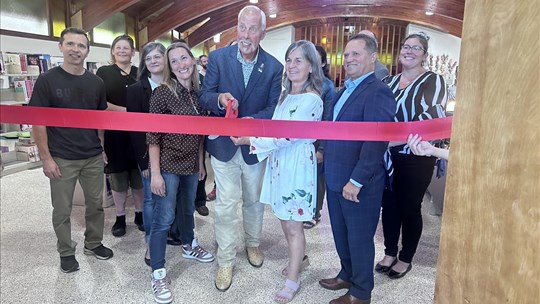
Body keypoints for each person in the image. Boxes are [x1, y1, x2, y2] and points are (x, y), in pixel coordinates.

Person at [198, 5, 283, 292]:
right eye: (242, 27)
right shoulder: (219, 58)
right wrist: (219, 99)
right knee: (225, 204)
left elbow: (273, 108)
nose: (246, 34)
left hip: (253, 148)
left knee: (254, 201)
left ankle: (253, 243)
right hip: (222, 147)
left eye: (253, 28)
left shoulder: (273, 67)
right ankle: (225, 260)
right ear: (236, 28)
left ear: (263, 32)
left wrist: (252, 121)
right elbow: (204, 96)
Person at [231, 40, 323, 303]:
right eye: (289, 60)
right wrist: (252, 126)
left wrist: (248, 139)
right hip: (280, 164)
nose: (292, 66)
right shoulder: (286, 95)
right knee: (285, 220)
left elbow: (287, 137)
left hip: (296, 166)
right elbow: (274, 129)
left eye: (299, 61)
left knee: (294, 226)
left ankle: (292, 280)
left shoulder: (311, 99)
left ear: (310, 66)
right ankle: (300, 261)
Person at [30, 27, 114, 273]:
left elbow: (99, 120)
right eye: (71, 44)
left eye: (81, 46)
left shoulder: (96, 82)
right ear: (61, 47)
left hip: (91, 156)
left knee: (95, 205)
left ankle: (93, 243)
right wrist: (46, 158)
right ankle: (66, 251)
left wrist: (102, 149)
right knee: (62, 210)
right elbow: (38, 122)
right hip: (61, 157)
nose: (76, 50)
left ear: (87, 50)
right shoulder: (47, 80)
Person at [319, 34, 395, 304]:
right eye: (346, 54)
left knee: (360, 238)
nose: (349, 59)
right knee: (341, 232)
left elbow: (376, 141)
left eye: (356, 54)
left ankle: (361, 293)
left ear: (373, 57)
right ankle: (347, 274)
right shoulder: (344, 90)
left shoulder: (378, 90)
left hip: (358, 183)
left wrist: (357, 180)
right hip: (336, 176)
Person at [147, 41, 214, 304]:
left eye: (184, 59)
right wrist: (155, 174)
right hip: (167, 164)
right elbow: (152, 137)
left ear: (193, 60)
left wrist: (200, 163)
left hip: (190, 164)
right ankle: (158, 271)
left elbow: (199, 135)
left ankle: (189, 245)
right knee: (163, 218)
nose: (180, 65)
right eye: (174, 61)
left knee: (187, 209)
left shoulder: (199, 94)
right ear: (169, 67)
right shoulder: (162, 93)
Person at [376, 33, 447, 279]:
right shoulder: (387, 82)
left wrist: (392, 140)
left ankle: (405, 257)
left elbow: (430, 121)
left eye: (416, 48)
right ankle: (389, 251)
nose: (409, 51)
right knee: (389, 206)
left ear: (424, 55)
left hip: (416, 155)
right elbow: (380, 117)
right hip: (387, 156)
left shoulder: (433, 81)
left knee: (409, 206)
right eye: (406, 46)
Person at [96, 34, 144, 237]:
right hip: (114, 135)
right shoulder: (104, 72)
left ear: (133, 52)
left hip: (138, 134)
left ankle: (141, 214)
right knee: (117, 177)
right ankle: (120, 216)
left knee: (139, 176)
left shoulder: (140, 73)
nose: (123, 51)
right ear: (113, 51)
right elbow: (99, 103)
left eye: (127, 48)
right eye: (119, 47)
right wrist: (126, 111)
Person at [126, 42, 166, 266]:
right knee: (150, 200)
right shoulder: (134, 90)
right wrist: (145, 162)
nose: (152, 61)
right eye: (148, 58)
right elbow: (135, 130)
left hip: (172, 155)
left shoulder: (174, 85)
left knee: (169, 199)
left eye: (157, 57)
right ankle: (151, 242)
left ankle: (168, 235)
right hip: (147, 156)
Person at [303, 45, 338, 229]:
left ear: (323, 62)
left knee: (317, 179)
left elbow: (328, 119)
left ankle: (314, 212)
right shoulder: (298, 82)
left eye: (316, 59)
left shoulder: (327, 86)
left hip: (317, 141)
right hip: (299, 140)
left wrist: (322, 149)